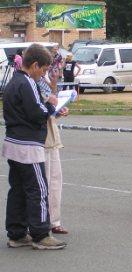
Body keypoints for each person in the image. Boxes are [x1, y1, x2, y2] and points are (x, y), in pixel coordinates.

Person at [2, 43, 67, 250]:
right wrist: (51, 104)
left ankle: (17, 233)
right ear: (35, 65)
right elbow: (37, 112)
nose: (44, 74)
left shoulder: (13, 82)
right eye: (45, 70)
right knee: (38, 190)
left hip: (13, 142)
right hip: (28, 146)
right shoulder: (28, 82)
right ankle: (40, 233)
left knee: (18, 190)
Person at [37, 71, 70, 235]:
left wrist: (59, 110)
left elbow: (52, 98)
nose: (46, 70)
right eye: (44, 67)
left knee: (56, 181)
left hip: (52, 136)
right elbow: (41, 104)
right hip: (40, 140)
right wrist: (49, 101)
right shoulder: (29, 81)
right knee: (44, 183)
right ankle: (40, 223)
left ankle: (54, 221)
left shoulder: (44, 79)